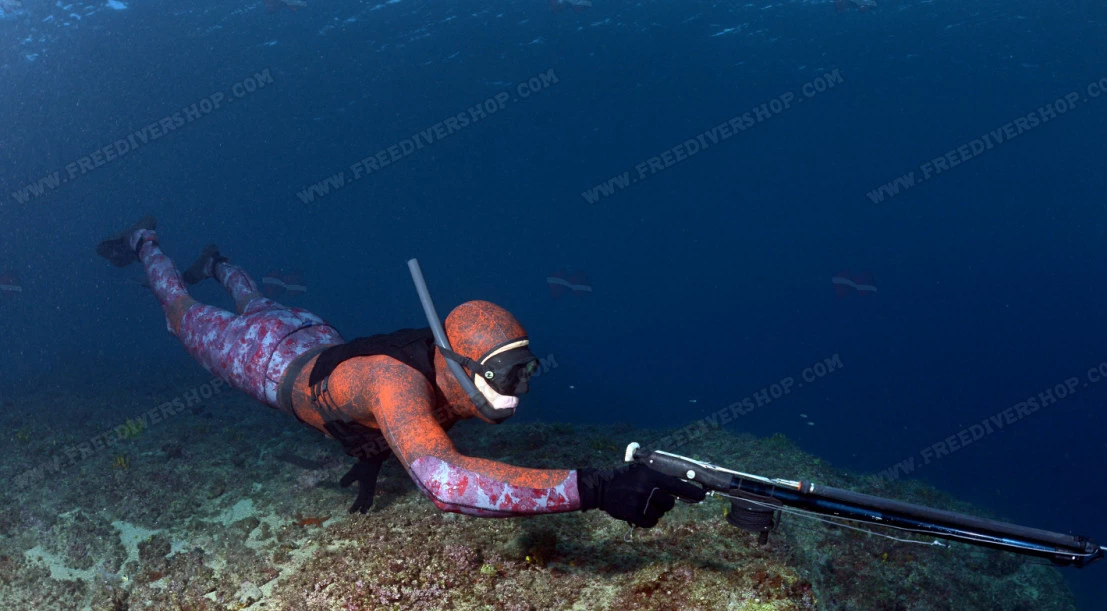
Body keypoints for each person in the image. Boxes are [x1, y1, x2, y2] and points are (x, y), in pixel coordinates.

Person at [96, 217, 700, 524]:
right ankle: (148, 241)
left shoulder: (434, 373)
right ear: (461, 366)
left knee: (259, 303)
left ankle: (218, 262)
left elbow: (396, 423)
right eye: (507, 372)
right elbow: (444, 481)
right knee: (182, 315)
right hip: (268, 358)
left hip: (312, 338)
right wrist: (592, 488)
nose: (522, 385)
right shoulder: (396, 383)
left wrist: (370, 452)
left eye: (526, 368)